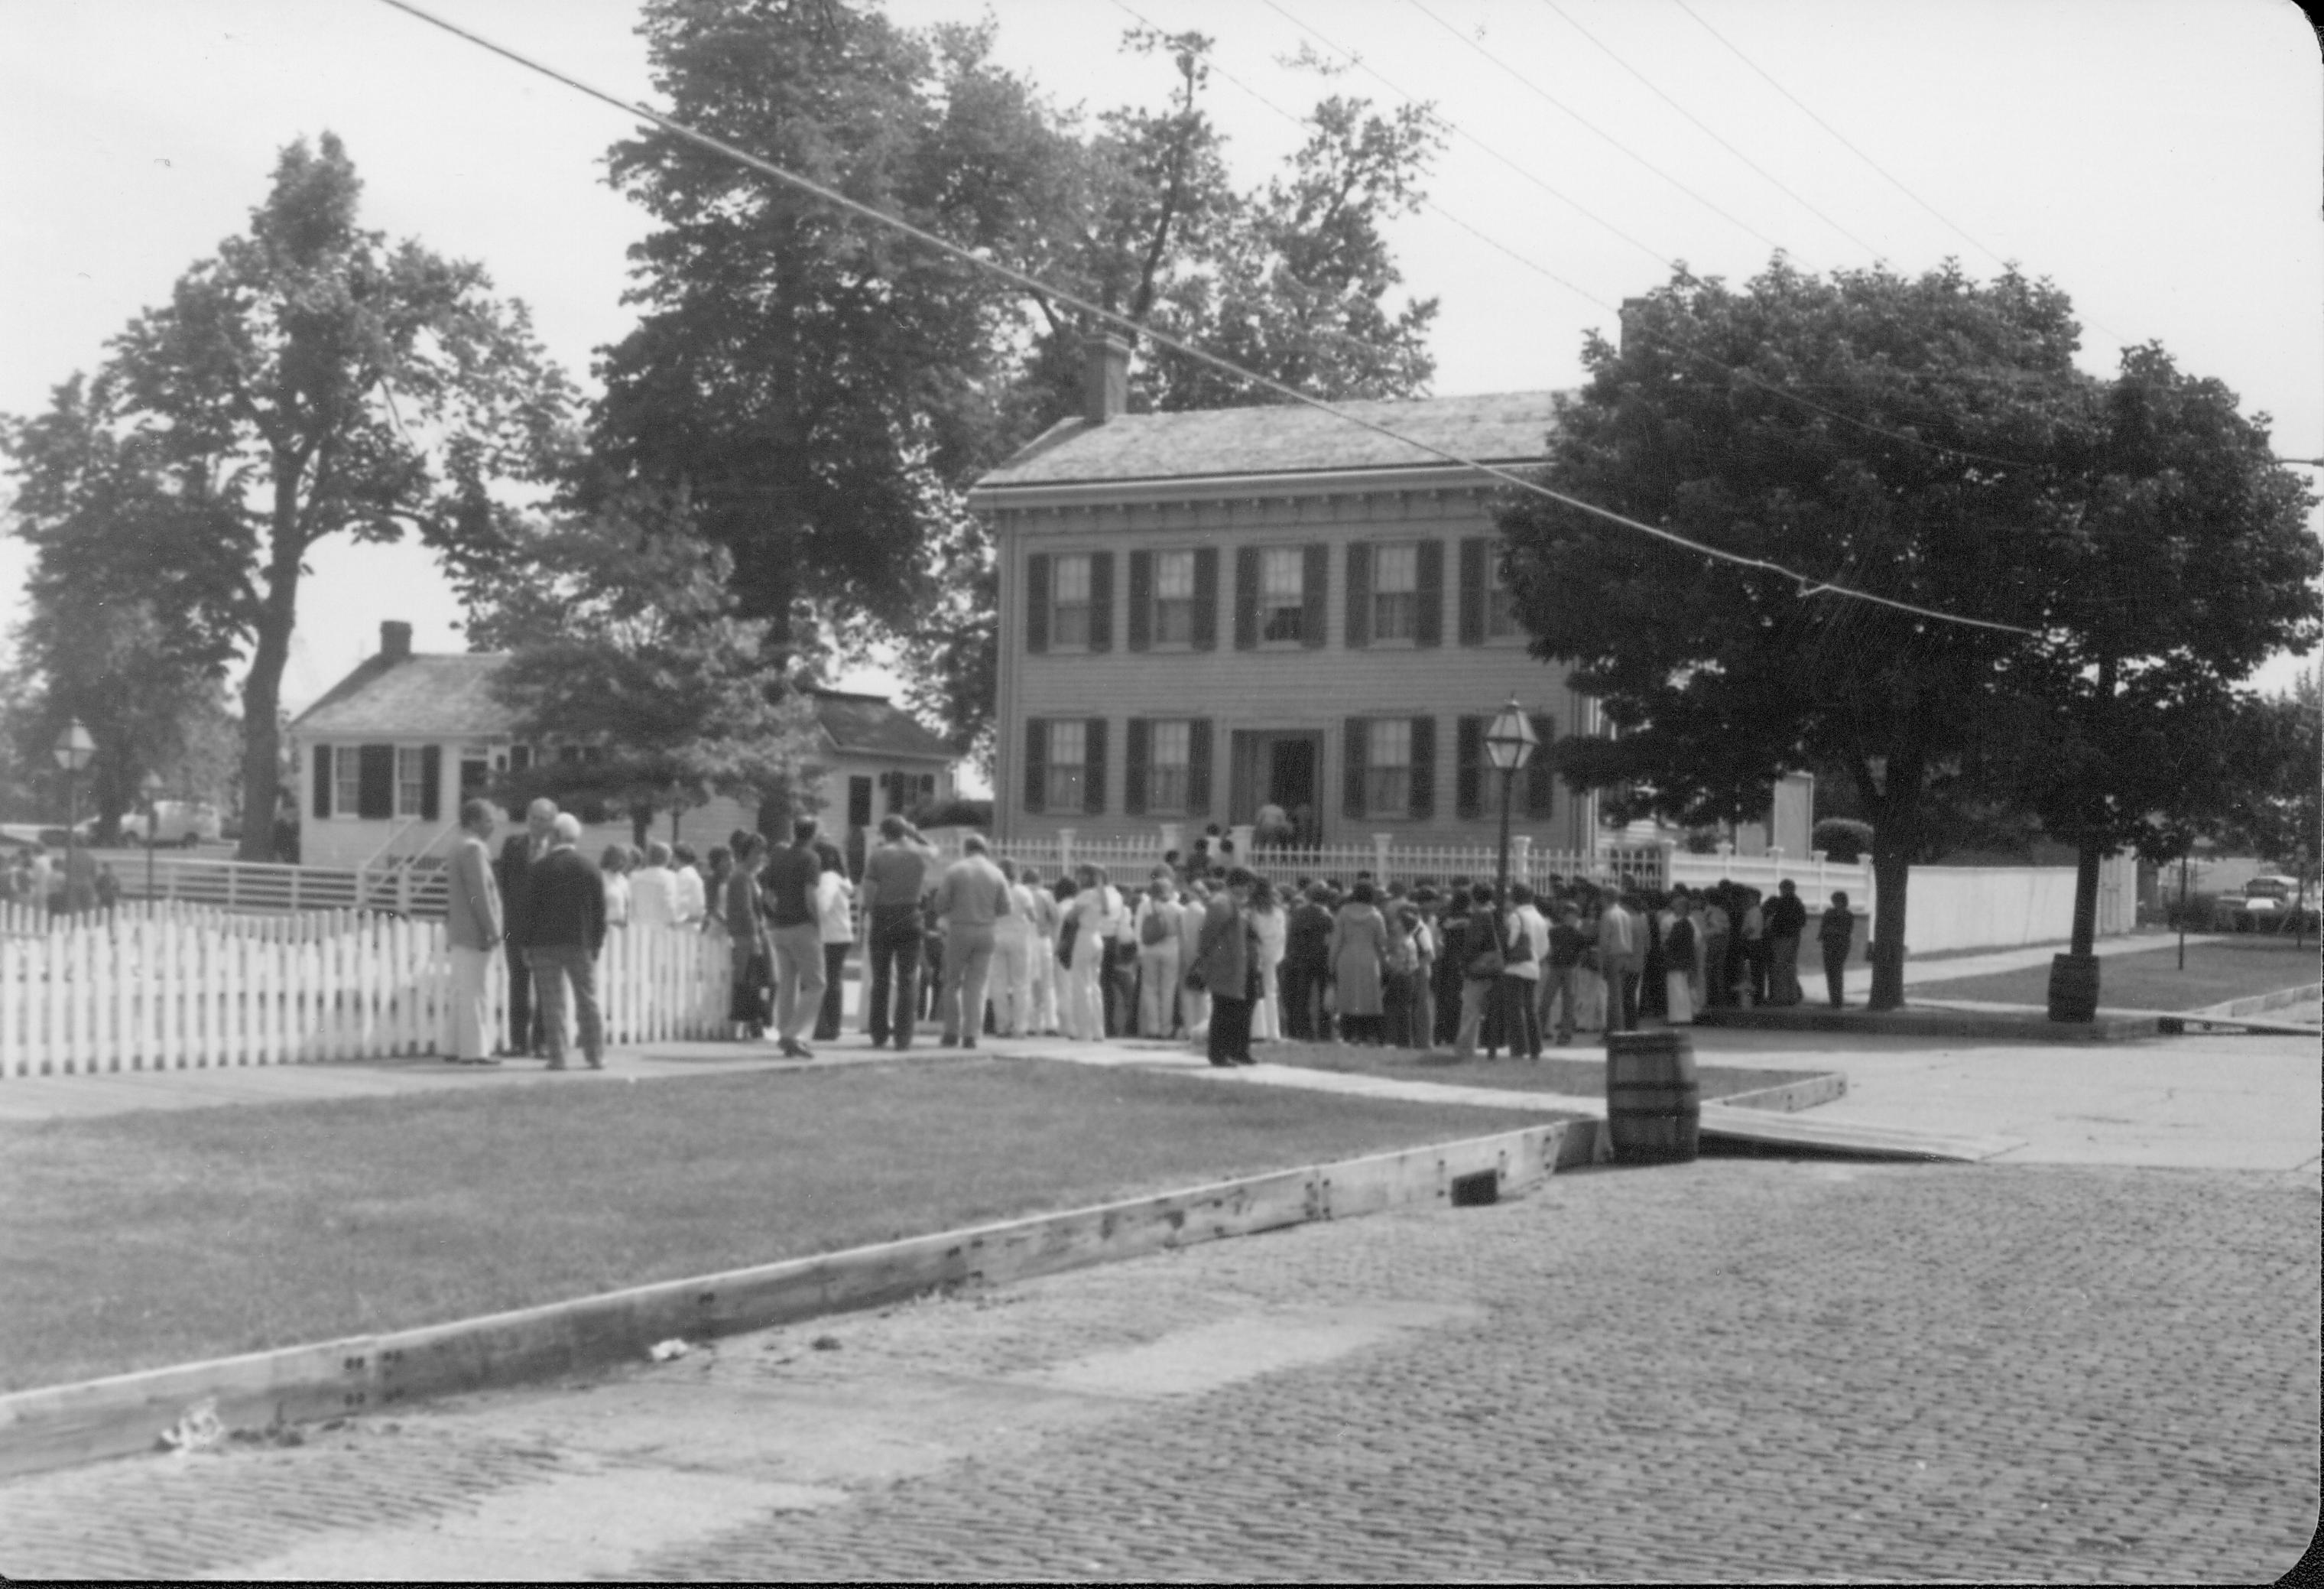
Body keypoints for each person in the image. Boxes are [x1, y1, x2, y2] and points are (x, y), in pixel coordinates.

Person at [524, 813, 607, 1070]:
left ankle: (557, 1056)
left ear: (556, 835)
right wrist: (596, 943)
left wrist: (525, 943)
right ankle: (595, 1055)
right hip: (579, 942)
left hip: (544, 944)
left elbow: (528, 910)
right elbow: (599, 912)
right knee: (587, 1000)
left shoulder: (540, 868)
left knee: (552, 1003)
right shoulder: (589, 867)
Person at [858, 814, 938, 1050]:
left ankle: (879, 1032)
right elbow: (936, 850)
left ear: (884, 833)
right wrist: (916, 834)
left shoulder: (879, 855)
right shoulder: (919, 853)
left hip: (884, 915)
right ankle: (903, 1036)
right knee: (908, 978)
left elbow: (869, 891)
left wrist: (873, 912)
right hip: (910, 913)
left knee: (881, 978)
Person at [930, 833, 1012, 1048]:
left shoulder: (956, 870)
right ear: (985, 850)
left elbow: (940, 903)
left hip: (960, 928)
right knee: (976, 985)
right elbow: (1005, 908)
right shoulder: (997, 873)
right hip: (986, 930)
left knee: (952, 982)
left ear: (966, 849)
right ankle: (971, 1034)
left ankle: (951, 1031)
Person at [443, 798, 505, 1065]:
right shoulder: (473, 849)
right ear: (474, 822)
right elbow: (478, 894)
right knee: (476, 992)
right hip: (474, 931)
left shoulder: (457, 845)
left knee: (462, 991)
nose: (493, 826)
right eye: (489, 820)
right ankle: (475, 1051)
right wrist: (490, 929)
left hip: (459, 930)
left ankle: (454, 1046)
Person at [759, 819, 827, 1059]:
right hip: (802, 926)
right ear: (814, 834)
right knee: (816, 984)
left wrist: (776, 914)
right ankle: (794, 1035)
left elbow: (767, 895)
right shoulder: (811, 858)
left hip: (779, 927)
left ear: (793, 831)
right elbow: (810, 896)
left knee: (788, 983)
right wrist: (819, 923)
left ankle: (784, 1031)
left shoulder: (779, 858)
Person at [495, 798, 558, 1057]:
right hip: (515, 926)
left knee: (545, 987)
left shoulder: (558, 848)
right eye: (533, 817)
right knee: (518, 984)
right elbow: (503, 882)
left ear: (552, 822)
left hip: (546, 929)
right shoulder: (513, 845)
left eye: (542, 819)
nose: (535, 823)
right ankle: (518, 1041)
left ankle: (541, 1042)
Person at [1193, 867, 1261, 1067]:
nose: (1249, 891)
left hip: (1241, 964)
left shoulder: (1237, 904)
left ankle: (1239, 1050)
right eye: (1247, 886)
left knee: (1243, 1007)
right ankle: (1218, 1053)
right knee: (1225, 1009)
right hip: (1226, 965)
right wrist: (1206, 956)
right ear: (1238, 885)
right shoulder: (1221, 903)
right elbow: (1207, 934)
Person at [1328, 882, 1390, 1044]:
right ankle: (1368, 1034)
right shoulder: (1376, 915)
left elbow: (1336, 941)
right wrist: (1385, 965)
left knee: (1348, 997)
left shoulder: (1343, 913)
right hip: (1370, 958)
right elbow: (1382, 943)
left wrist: (1331, 964)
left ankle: (1348, 1033)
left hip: (1346, 957)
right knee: (1369, 998)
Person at [1062, 864, 1118, 1041]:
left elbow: (1070, 917)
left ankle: (1083, 1030)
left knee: (1081, 985)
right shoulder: (1108, 896)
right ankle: (1098, 1030)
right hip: (1098, 937)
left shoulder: (1086, 895)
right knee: (1095, 986)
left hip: (1085, 936)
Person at [1451, 882, 1505, 1061]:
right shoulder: (1496, 912)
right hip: (1492, 965)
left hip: (1478, 966)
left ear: (1474, 897)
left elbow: (1474, 942)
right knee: (1482, 1009)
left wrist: (1465, 961)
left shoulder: (1480, 915)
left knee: (1470, 1009)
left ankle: (1464, 1049)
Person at [723, 833, 768, 1040]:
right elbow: (745, 909)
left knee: (756, 980)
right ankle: (749, 1023)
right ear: (746, 853)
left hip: (751, 934)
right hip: (745, 935)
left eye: (762, 853)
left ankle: (754, 1022)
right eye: (757, 853)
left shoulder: (749, 876)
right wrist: (754, 936)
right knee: (748, 980)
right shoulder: (741, 876)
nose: (761, 858)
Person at [1280, 882, 1334, 1041]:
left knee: (1301, 996)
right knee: (1323, 996)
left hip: (1301, 957)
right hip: (1322, 958)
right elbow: (1330, 939)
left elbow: (1290, 936)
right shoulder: (1326, 915)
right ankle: (1325, 1032)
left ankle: (1302, 1030)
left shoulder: (1298, 913)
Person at [813, 846, 854, 1041]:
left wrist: (811, 918)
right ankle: (833, 1025)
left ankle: (827, 1027)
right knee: (834, 981)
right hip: (841, 934)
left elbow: (823, 905)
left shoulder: (827, 878)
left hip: (828, 934)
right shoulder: (841, 879)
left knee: (826, 982)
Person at [1501, 882, 1546, 1058]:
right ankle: (1535, 1047)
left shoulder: (1516, 916)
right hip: (1533, 966)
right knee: (1530, 1008)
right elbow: (1544, 947)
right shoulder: (1540, 918)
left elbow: (1511, 942)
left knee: (1515, 1009)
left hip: (1515, 966)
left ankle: (1519, 1048)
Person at [1133, 876, 1181, 1038]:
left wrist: (1140, 950)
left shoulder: (1145, 906)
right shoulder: (1177, 908)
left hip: (1149, 949)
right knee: (1168, 988)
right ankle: (1166, 1028)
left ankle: (1153, 1027)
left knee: (1150, 988)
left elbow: (1138, 929)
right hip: (1171, 947)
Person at [1021, 866, 1061, 1035]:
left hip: (1024, 939)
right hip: (1042, 939)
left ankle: (1030, 1023)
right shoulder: (1045, 895)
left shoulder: (1019, 893)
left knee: (1027, 983)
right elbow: (1056, 917)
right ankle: (1050, 1023)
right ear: (1039, 880)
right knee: (1048, 983)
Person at [1598, 889, 1643, 1035]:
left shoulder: (1608, 914)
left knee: (1613, 997)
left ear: (1605, 898)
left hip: (1613, 955)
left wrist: (1601, 961)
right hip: (1626, 956)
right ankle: (1619, 1028)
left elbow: (1604, 941)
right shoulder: (1625, 915)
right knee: (1620, 995)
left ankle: (1614, 1031)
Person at [1541, 901, 1586, 1046]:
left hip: (1568, 969)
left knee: (1567, 1003)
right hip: (1558, 968)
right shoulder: (1555, 931)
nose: (1574, 919)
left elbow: (1581, 952)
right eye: (1572, 915)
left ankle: (1564, 1033)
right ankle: (1543, 1029)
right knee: (1547, 1001)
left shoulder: (1577, 934)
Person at [1248, 879, 1287, 1041]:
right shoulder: (1278, 912)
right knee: (1271, 992)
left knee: (1253, 992)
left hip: (1255, 952)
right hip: (1272, 952)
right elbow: (1282, 935)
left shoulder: (1251, 910)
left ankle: (1256, 1030)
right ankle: (1274, 1032)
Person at [1766, 879, 1809, 1006]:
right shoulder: (1798, 903)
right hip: (1794, 936)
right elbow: (1803, 921)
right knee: (1790, 966)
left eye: (1782, 889)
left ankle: (1782, 997)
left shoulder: (1782, 903)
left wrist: (1773, 928)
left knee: (1780, 966)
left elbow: (1776, 920)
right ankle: (1792, 996)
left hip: (1782, 937)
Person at [1819, 890, 1858, 1008]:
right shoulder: (1829, 913)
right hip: (1828, 945)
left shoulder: (1848, 915)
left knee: (1837, 971)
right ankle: (1833, 999)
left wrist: (1833, 930)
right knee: (1830, 972)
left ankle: (1838, 1000)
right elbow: (1823, 928)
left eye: (1838, 901)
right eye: (1834, 901)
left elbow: (1846, 931)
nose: (1836, 903)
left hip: (1841, 946)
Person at [631, 841, 679, 930]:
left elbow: (630, 904)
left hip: (637, 928)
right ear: (666, 858)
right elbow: (670, 905)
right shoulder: (670, 878)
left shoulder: (634, 877)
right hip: (661, 929)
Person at [670, 843, 706, 928]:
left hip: (684, 928)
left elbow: (680, 903)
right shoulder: (693, 874)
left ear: (677, 858)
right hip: (693, 926)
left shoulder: (684, 875)